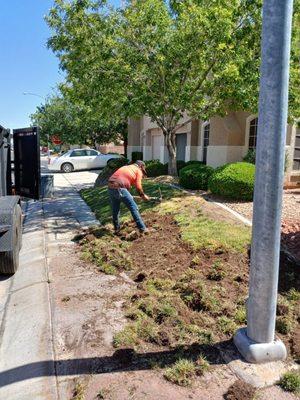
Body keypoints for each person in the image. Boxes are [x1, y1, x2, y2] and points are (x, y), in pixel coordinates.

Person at [108, 160, 149, 234]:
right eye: (143, 170)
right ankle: (143, 229)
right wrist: (143, 195)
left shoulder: (127, 167)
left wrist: (129, 196)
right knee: (134, 207)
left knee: (115, 210)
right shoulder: (138, 170)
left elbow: (127, 182)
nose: (142, 173)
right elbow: (138, 187)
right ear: (141, 167)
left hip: (110, 187)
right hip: (119, 187)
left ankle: (117, 229)